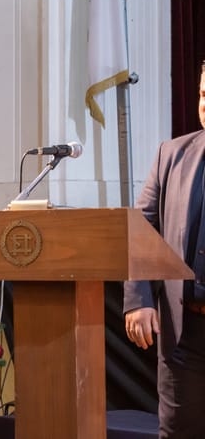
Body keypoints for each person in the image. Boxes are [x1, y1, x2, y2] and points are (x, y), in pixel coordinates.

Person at [124, 64, 205, 438]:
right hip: (183, 333)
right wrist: (138, 299)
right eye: (203, 94)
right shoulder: (171, 154)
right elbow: (140, 229)